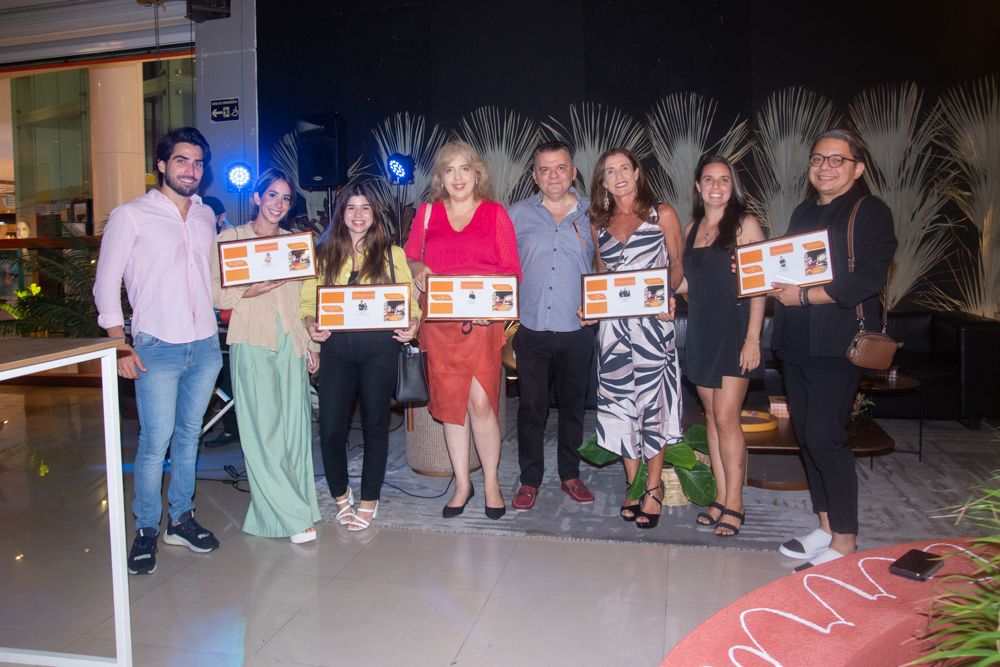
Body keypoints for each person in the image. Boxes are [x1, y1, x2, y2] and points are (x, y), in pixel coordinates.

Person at [93, 126, 222, 574]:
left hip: (205, 345)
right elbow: (105, 282)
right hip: (155, 346)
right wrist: (119, 346)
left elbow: (214, 277)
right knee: (154, 443)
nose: (191, 170)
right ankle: (146, 528)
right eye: (182, 160)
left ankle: (180, 520)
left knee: (189, 436)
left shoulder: (206, 215)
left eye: (198, 163)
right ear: (162, 165)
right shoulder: (130, 215)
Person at [771, 129, 896, 570]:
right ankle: (825, 527)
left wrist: (804, 296)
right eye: (818, 159)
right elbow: (788, 264)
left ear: (857, 168)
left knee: (826, 436)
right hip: (796, 341)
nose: (825, 167)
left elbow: (868, 279)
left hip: (837, 344)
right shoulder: (805, 210)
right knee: (807, 436)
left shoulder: (870, 211)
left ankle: (845, 542)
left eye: (836, 160)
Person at [405, 140, 522, 520]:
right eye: (449, 169)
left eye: (465, 168)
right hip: (439, 326)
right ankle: (461, 484)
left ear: (477, 174)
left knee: (481, 404)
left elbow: (511, 271)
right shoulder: (427, 214)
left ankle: (491, 483)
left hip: (481, 323)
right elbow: (410, 257)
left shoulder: (495, 213)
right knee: (451, 407)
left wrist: (495, 309)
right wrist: (418, 269)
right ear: (440, 177)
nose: (458, 177)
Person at [301, 181, 421, 531]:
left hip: (379, 350)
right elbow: (308, 302)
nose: (358, 214)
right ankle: (340, 494)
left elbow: (409, 304)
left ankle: (369, 498)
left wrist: (412, 324)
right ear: (341, 214)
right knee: (330, 429)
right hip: (336, 350)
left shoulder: (393, 254)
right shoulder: (323, 253)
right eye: (351, 207)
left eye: (365, 207)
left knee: (375, 426)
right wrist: (310, 324)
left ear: (374, 214)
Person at [211, 169, 321, 544]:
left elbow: (308, 299)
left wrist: (312, 345)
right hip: (251, 339)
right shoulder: (230, 239)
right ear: (257, 197)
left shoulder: (296, 244)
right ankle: (292, 516)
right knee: (263, 430)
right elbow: (214, 292)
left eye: (286, 198)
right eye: (272, 195)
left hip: (292, 340)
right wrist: (249, 290)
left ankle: (289, 508)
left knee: (295, 429)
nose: (279, 204)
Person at [578, 148, 684, 529]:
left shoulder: (662, 215)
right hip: (613, 330)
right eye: (610, 171)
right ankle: (633, 484)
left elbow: (676, 266)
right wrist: (590, 307)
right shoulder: (599, 223)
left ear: (637, 173)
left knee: (652, 405)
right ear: (603, 181)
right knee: (620, 405)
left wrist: (668, 296)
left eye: (625, 167)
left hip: (653, 326)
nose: (619, 175)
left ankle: (653, 488)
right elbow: (602, 275)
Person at [674, 155, 765, 537]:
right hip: (700, 330)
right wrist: (654, 293)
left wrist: (753, 339)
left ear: (733, 186)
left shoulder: (745, 225)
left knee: (727, 418)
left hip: (734, 330)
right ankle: (721, 496)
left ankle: (736, 502)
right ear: (698, 186)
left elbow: (758, 286)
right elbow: (689, 283)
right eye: (708, 179)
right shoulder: (692, 228)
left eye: (724, 179)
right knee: (711, 417)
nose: (716, 186)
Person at [508, 141, 596, 511]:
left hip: (578, 328)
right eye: (544, 169)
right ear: (534, 176)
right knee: (531, 408)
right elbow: (499, 267)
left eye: (560, 167)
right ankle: (529, 479)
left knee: (574, 407)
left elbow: (610, 267)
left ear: (573, 172)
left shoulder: (595, 214)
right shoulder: (515, 215)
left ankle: (570, 474)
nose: (553, 175)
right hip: (531, 328)